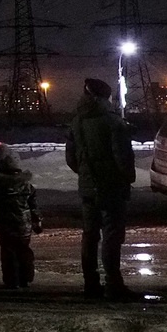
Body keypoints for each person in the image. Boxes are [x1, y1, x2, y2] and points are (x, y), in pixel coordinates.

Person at [66, 78, 137, 302]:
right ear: (106, 98)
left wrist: (86, 174)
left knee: (89, 236)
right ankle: (114, 284)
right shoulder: (113, 123)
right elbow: (122, 158)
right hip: (111, 188)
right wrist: (127, 178)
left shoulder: (76, 122)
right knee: (112, 236)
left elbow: (71, 158)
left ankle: (91, 283)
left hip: (87, 188)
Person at [0, 144, 41, 289]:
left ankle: (11, 280)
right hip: (23, 224)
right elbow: (33, 204)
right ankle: (25, 277)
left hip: (4, 224)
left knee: (8, 252)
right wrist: (37, 220)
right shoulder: (26, 184)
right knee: (24, 249)